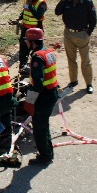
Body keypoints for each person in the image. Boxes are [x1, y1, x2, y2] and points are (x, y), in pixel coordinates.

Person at [22, 28, 59, 165]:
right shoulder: (48, 52)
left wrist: (29, 101)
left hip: (44, 96)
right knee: (44, 124)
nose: (26, 43)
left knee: (39, 127)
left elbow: (38, 82)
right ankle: (48, 152)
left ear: (32, 42)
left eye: (27, 41)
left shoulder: (37, 57)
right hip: (52, 92)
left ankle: (45, 156)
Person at [54, 0, 97, 94]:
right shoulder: (67, 1)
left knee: (85, 60)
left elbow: (93, 19)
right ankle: (73, 81)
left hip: (82, 34)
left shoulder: (87, 2)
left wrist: (88, 33)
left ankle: (89, 84)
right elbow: (57, 12)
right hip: (68, 33)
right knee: (71, 59)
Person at [10, 0, 47, 70]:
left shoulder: (42, 3)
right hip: (25, 29)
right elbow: (24, 11)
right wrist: (19, 18)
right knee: (23, 50)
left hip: (36, 31)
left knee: (36, 51)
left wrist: (31, 5)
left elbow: (38, 16)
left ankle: (36, 69)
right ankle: (22, 68)